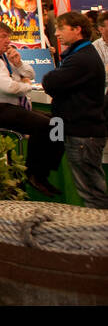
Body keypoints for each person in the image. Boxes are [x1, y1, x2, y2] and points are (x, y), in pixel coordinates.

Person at [0, 20, 61, 196]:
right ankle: (33, 173)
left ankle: (44, 172)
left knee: (58, 122)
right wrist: (27, 85)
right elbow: (8, 87)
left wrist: (18, 63)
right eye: (3, 36)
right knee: (47, 126)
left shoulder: (5, 57)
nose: (7, 40)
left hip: (15, 107)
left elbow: (30, 74)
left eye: (8, 36)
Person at [43, 11, 108, 209]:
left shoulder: (81, 58)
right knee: (91, 190)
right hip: (80, 132)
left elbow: (50, 81)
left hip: (83, 135)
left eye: (61, 28)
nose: (57, 33)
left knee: (92, 193)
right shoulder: (81, 54)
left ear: (77, 30)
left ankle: (100, 235)